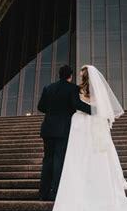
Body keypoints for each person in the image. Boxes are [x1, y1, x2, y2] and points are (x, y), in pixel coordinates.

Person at [43, 64, 127, 211]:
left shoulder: (75, 90)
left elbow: (75, 104)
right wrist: (96, 111)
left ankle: (61, 190)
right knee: (95, 155)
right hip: (93, 122)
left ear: (82, 77)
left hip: (80, 124)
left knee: (77, 157)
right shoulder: (97, 92)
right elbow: (101, 108)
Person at [37, 64, 92, 201]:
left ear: (59, 75)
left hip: (48, 128)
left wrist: (52, 112)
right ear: (70, 76)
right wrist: (95, 111)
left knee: (47, 160)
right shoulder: (72, 88)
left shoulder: (48, 88)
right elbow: (77, 104)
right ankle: (54, 193)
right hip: (62, 129)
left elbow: (40, 107)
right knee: (58, 160)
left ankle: (42, 193)